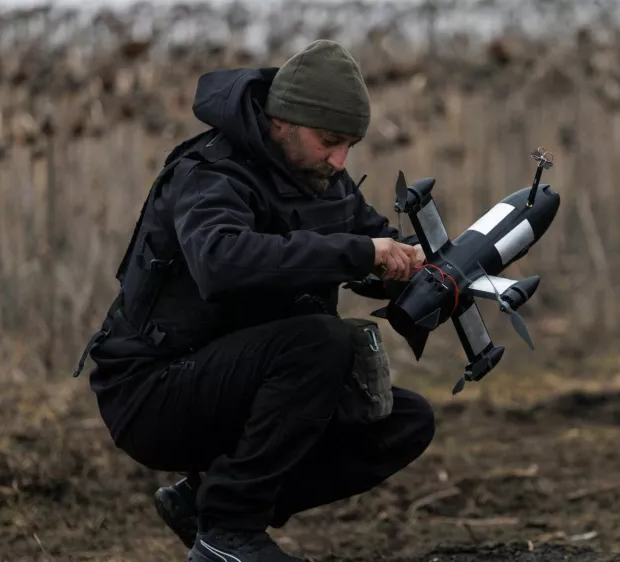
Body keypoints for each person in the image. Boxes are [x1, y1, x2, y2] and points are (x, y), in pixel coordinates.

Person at [73, 39, 437, 562]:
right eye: (330, 140)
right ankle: (229, 535)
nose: (339, 160)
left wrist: (423, 275)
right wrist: (361, 254)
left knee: (401, 422)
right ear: (282, 121)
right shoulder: (211, 172)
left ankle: (201, 505)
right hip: (152, 391)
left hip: (235, 383)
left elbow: (374, 250)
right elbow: (222, 262)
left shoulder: (324, 181)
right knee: (319, 343)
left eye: (350, 146)